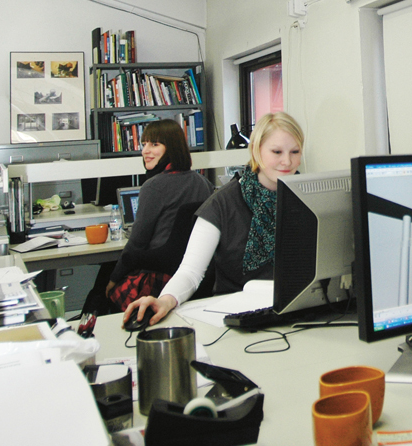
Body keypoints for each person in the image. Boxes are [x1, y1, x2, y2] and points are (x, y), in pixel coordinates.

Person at [123, 111, 304, 326]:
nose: (287, 161)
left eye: (295, 151)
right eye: (276, 151)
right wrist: (165, 300)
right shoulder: (223, 203)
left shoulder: (308, 196)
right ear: (256, 151)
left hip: (297, 310)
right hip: (239, 316)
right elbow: (191, 272)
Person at [100, 119, 215, 310]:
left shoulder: (153, 187)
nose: (146, 151)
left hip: (155, 280)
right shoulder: (203, 183)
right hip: (191, 277)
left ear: (171, 148)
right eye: (144, 144)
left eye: (155, 144)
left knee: (101, 286)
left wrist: (113, 280)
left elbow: (137, 243)